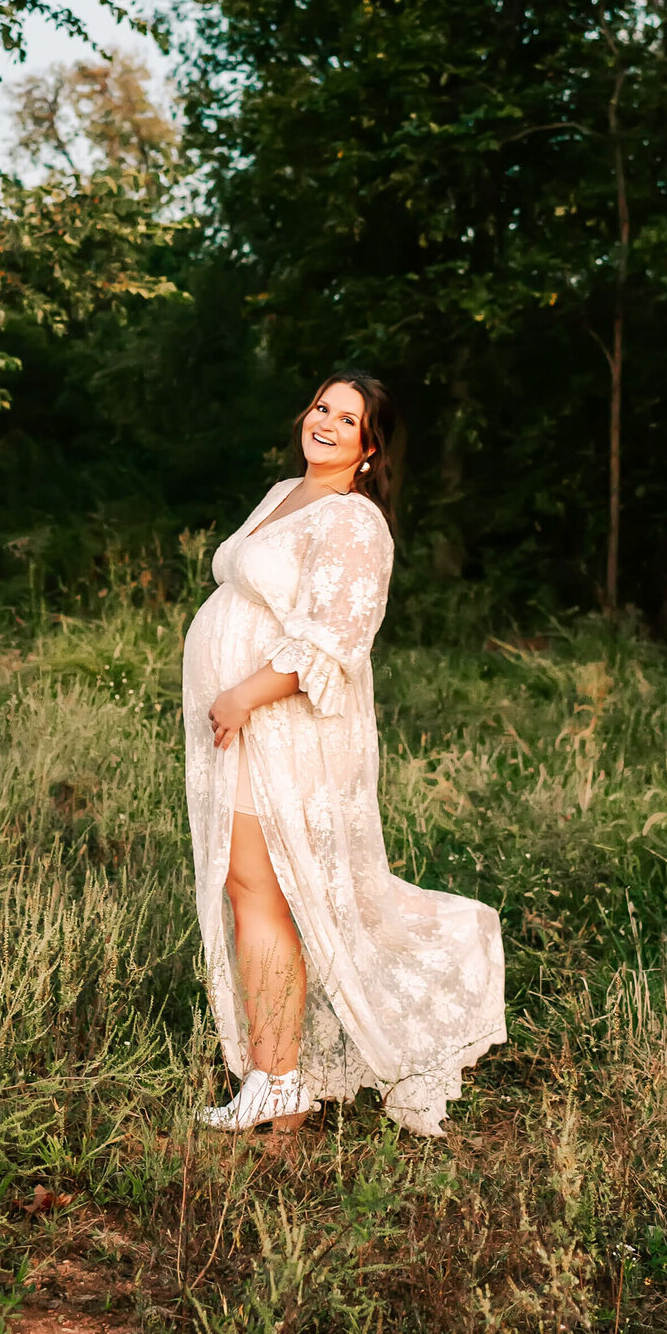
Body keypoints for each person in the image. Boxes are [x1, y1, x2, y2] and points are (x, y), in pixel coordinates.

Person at [182, 371, 506, 1136]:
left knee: (265, 891)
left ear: (370, 446)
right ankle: (272, 1076)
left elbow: (338, 639)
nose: (325, 422)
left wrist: (242, 695)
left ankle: (281, 1079)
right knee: (247, 889)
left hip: (285, 727)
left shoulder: (356, 523)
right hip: (241, 726)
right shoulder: (279, 494)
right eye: (322, 406)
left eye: (347, 417)